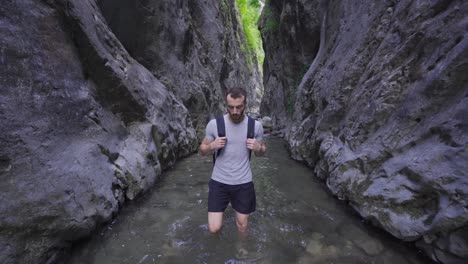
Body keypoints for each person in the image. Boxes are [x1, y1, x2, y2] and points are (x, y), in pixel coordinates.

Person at [199, 87, 266, 236]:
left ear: (245, 104)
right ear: (226, 105)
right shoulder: (214, 125)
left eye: (239, 107)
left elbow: (262, 151)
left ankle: (241, 252)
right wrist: (212, 146)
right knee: (214, 229)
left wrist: (258, 148)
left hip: (243, 181)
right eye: (231, 107)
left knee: (242, 226)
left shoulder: (255, 126)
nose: (235, 111)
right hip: (219, 180)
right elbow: (202, 150)